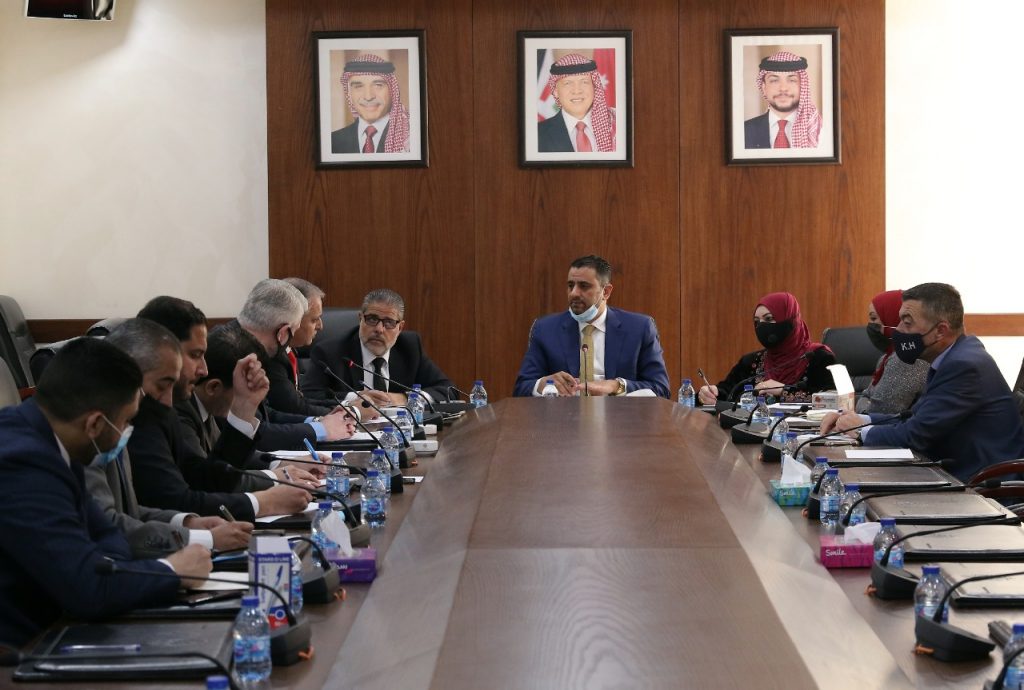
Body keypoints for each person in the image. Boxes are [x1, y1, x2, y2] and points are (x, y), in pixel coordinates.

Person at [0, 337, 210, 648]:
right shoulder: (22, 463)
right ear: (96, 424)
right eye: (126, 421)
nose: (126, 433)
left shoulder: (51, 440)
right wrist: (173, 571)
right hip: (21, 648)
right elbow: (88, 590)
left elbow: (107, 536)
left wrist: (105, 570)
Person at [108, 319, 312, 521]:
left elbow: (205, 476)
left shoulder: (166, 409)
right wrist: (264, 502)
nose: (204, 370)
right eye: (195, 355)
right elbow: (173, 499)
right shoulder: (164, 413)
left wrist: (244, 408)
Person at [821, 283, 1024, 481]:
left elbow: (916, 435)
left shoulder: (963, 365)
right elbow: (914, 419)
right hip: (953, 471)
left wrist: (858, 431)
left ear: (940, 331)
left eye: (907, 322)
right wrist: (858, 420)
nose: (898, 329)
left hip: (982, 484)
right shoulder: (952, 356)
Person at [513, 255, 670, 397]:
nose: (574, 293)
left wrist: (617, 386)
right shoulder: (545, 329)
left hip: (620, 417)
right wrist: (543, 384)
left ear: (606, 292)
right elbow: (521, 388)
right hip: (563, 417)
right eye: (570, 285)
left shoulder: (639, 328)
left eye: (584, 286)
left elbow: (661, 389)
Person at [236, 279, 356, 449]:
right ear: (284, 331)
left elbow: (267, 415)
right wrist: (322, 429)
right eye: (313, 320)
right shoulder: (240, 356)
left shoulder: (255, 348)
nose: (321, 326)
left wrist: (320, 422)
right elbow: (258, 434)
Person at [303, 288, 455, 407]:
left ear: (400, 327)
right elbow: (310, 396)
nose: (379, 329)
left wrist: (405, 398)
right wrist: (357, 397)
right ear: (360, 319)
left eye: (389, 322)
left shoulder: (410, 347)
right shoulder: (330, 352)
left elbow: (448, 390)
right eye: (372, 319)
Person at [698, 292, 836, 405]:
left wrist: (783, 390)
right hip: (755, 427)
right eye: (757, 322)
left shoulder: (819, 358)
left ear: (791, 321)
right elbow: (728, 391)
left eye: (769, 319)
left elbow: (835, 400)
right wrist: (710, 393)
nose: (762, 327)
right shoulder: (751, 362)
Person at [264, 277, 333, 416]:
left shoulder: (289, 349)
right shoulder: (271, 356)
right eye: (314, 320)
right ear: (293, 319)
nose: (320, 326)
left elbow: (301, 401)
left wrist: (348, 407)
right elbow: (292, 407)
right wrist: (350, 414)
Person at [856, 288, 929, 414]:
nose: (870, 324)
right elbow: (866, 395)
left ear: (892, 318)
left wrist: (863, 408)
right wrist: (865, 403)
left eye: (873, 318)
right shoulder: (886, 358)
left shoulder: (906, 359)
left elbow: (877, 413)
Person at [331, 54, 411, 154]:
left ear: (392, 91)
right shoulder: (333, 141)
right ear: (349, 93)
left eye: (378, 85)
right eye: (358, 86)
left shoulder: (410, 138)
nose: (368, 97)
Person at [537, 53, 615, 153]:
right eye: (568, 83)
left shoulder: (617, 126)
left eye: (584, 82)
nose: (577, 91)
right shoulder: (537, 134)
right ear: (555, 91)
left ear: (594, 86)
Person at [744, 51, 822, 150]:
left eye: (792, 80)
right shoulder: (743, 131)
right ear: (764, 88)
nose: (783, 88)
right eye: (774, 80)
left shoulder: (820, 131)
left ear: (803, 86)